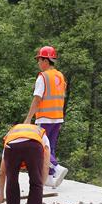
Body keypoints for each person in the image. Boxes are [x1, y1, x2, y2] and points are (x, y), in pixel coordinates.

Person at [24, 45, 68, 187]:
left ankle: (56, 167)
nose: (38, 63)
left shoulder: (43, 77)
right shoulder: (60, 76)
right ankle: (48, 179)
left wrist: (28, 118)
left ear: (45, 60)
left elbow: (37, 99)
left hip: (45, 118)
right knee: (51, 147)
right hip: (57, 117)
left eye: (39, 60)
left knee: (42, 147)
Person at [0, 123, 50, 204]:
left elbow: (2, 173)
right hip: (33, 146)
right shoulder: (42, 135)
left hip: (12, 147)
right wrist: (39, 188)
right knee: (35, 182)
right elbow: (46, 166)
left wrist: (1, 194)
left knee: (12, 180)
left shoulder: (9, 137)